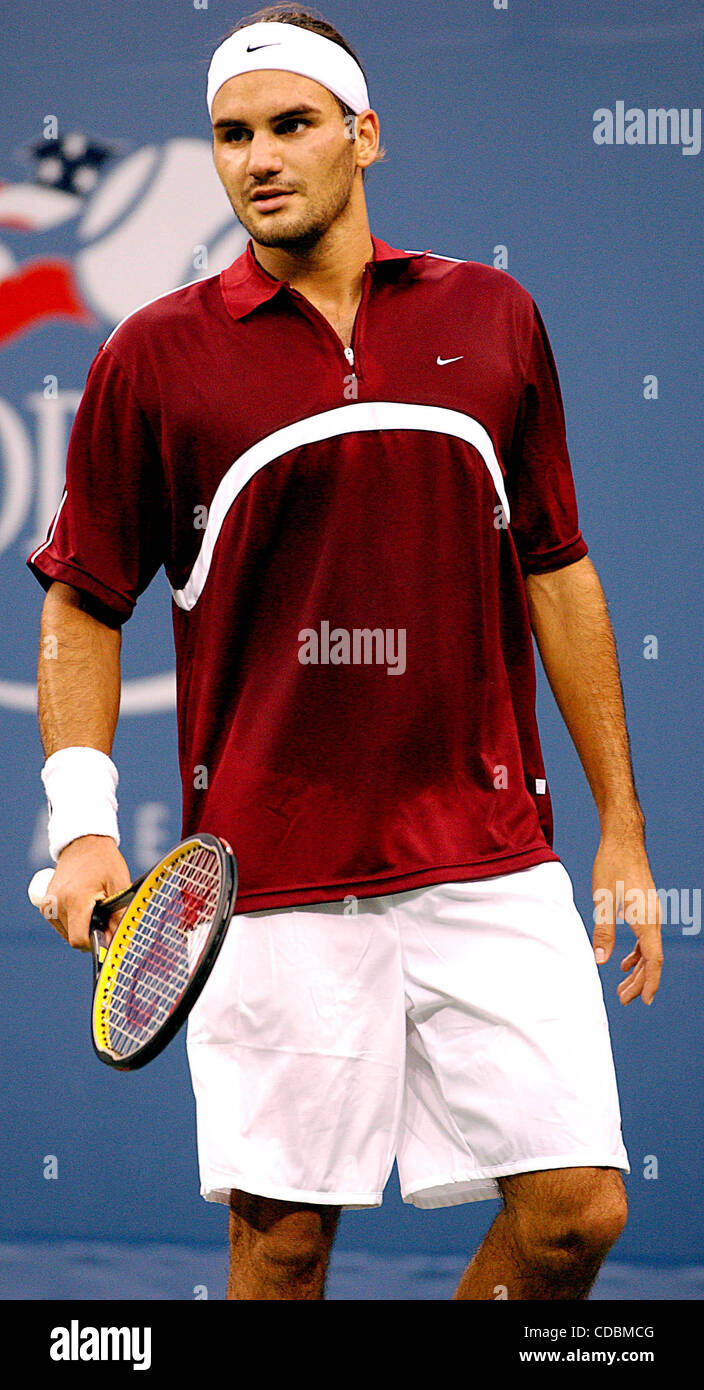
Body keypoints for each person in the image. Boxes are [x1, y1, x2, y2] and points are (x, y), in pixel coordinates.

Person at [28, 4, 663, 1301]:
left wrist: (624, 829)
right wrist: (81, 821)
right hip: (266, 875)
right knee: (285, 1246)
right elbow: (84, 598)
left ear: (364, 135)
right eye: (231, 134)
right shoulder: (153, 355)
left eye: (292, 125)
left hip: (485, 848)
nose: (260, 156)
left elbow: (558, 568)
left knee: (576, 1215)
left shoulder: (494, 319)